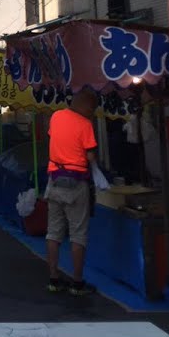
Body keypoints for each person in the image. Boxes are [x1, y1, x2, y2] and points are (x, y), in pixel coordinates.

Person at [45, 89, 99, 296]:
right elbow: (91, 156)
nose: (92, 113)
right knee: (78, 234)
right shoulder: (85, 125)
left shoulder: (56, 116)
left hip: (55, 179)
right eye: (92, 109)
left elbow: (55, 139)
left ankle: (53, 278)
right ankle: (77, 283)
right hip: (76, 183)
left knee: (53, 232)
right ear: (86, 106)